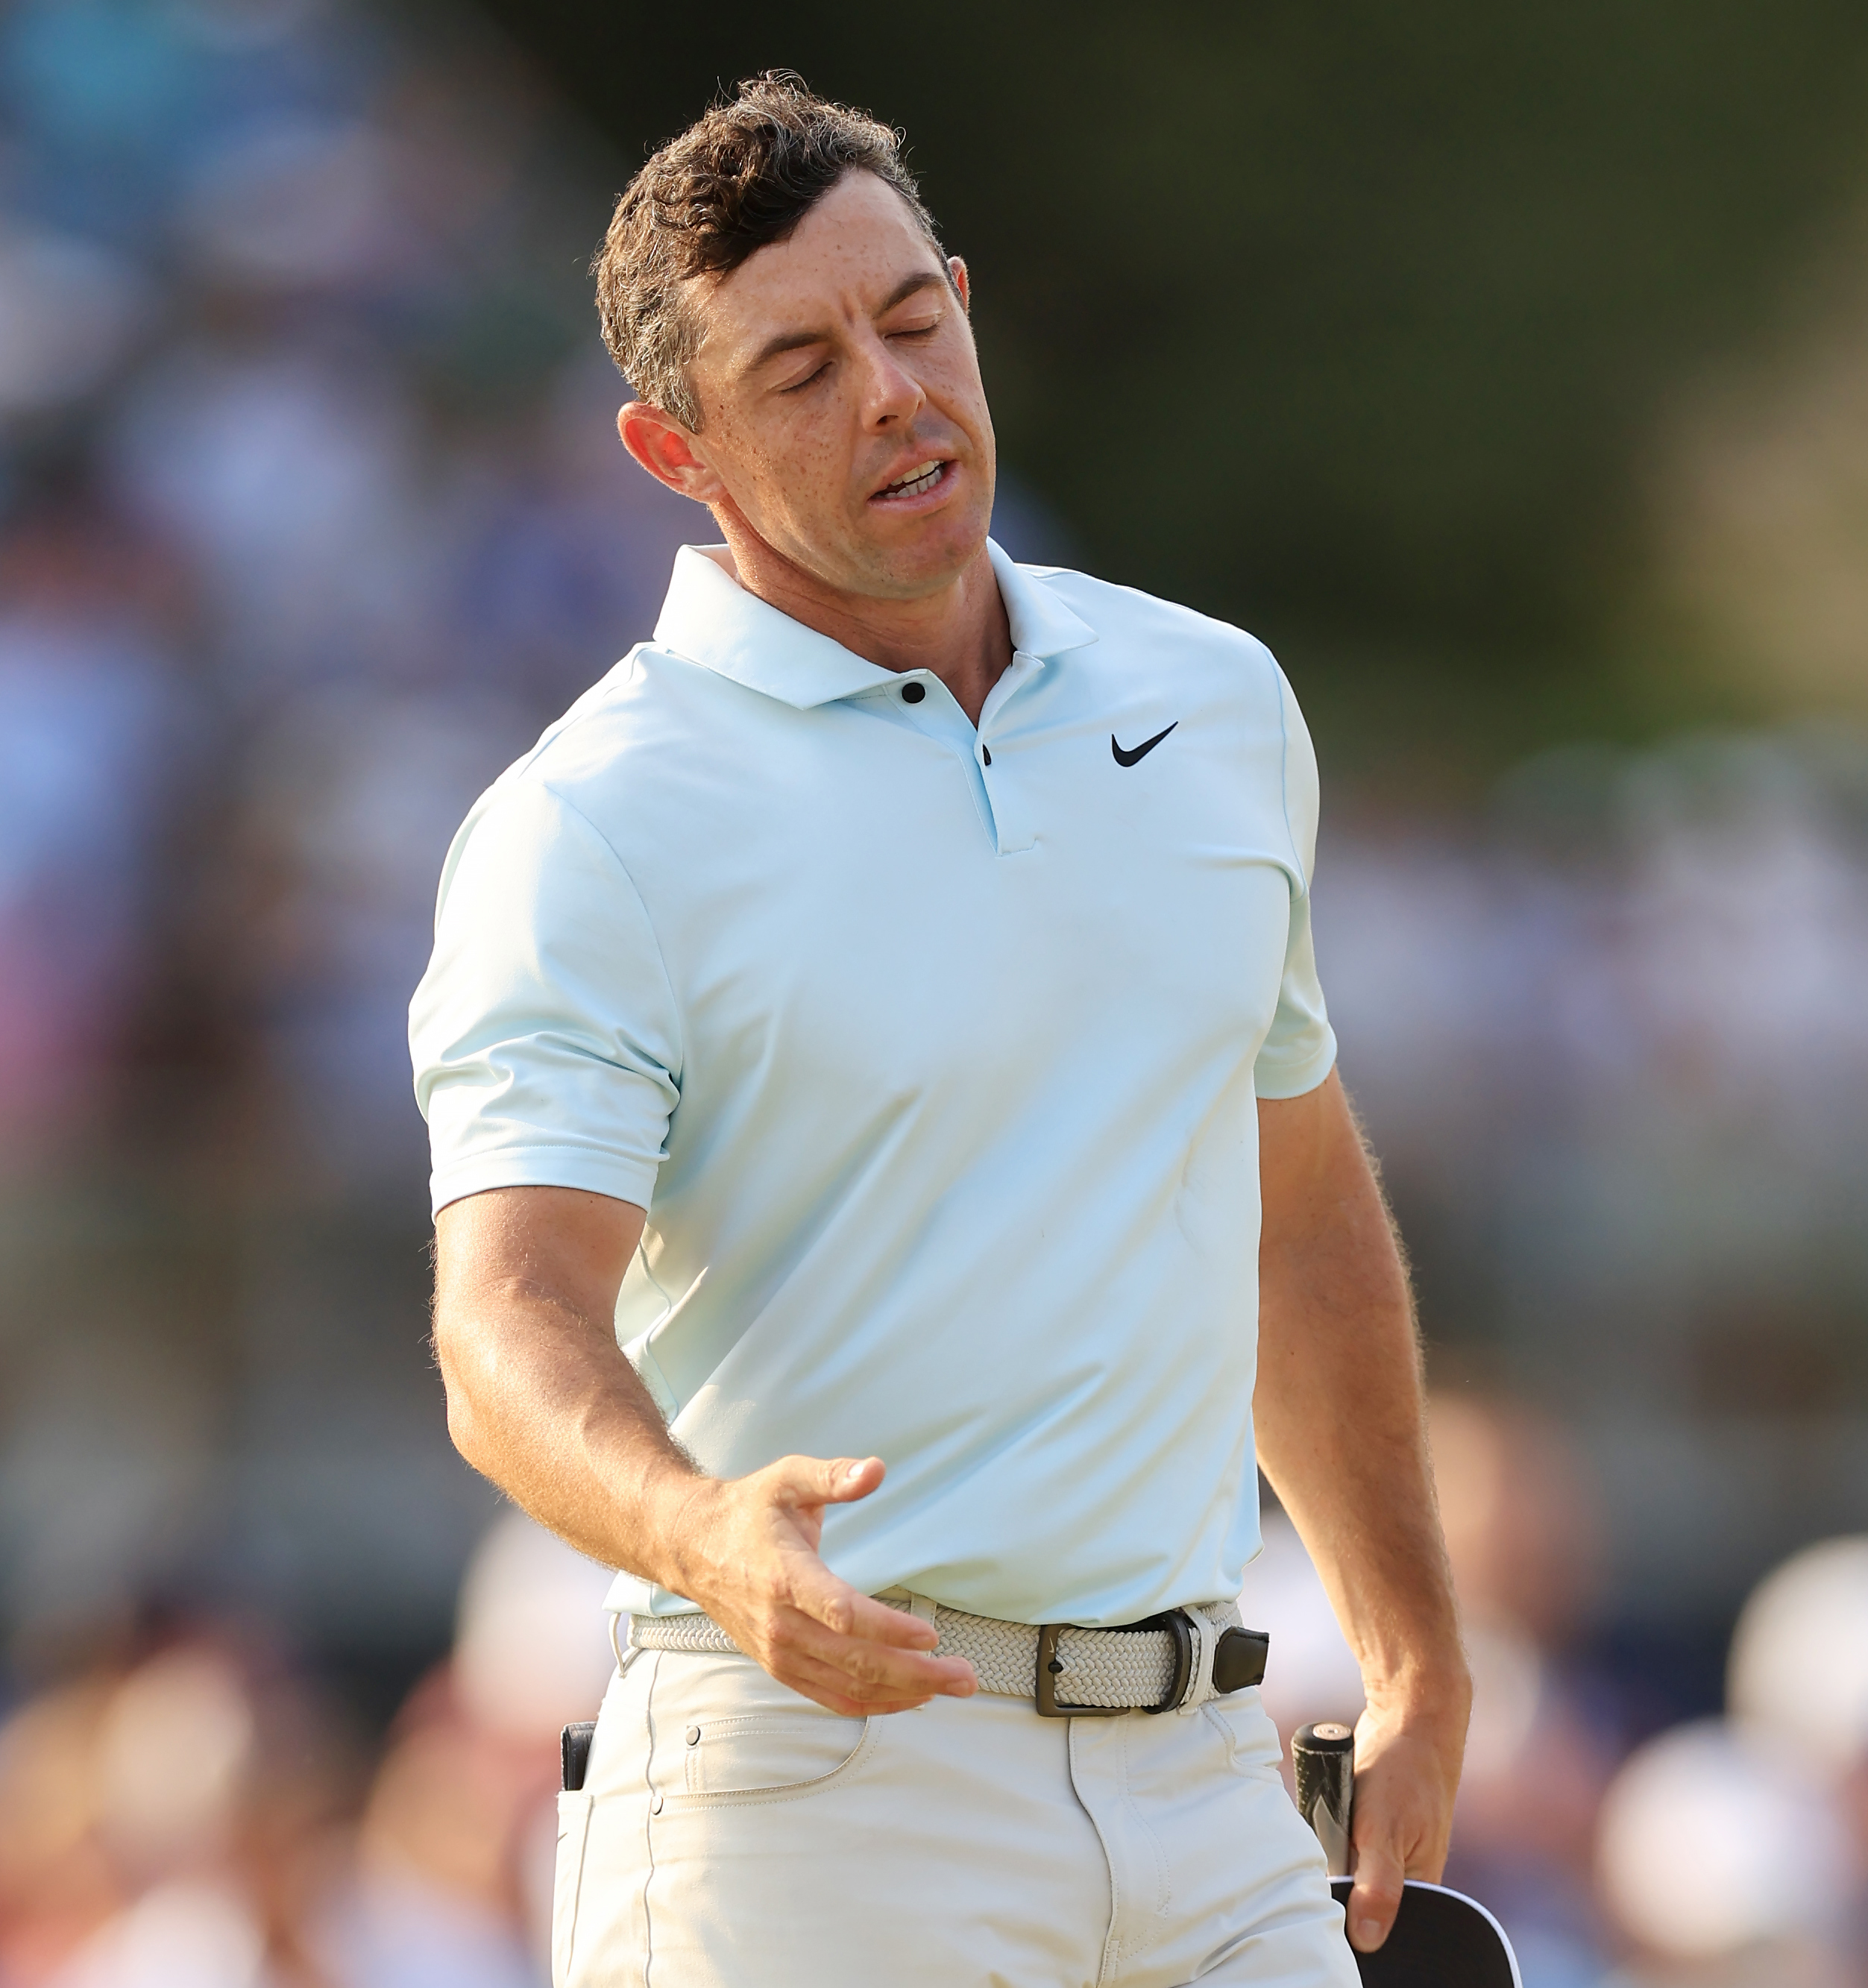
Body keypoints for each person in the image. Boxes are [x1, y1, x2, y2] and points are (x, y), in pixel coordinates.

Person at [410, 75, 1469, 1986]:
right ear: (677, 449)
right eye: (798, 367)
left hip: (1207, 1779)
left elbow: (1292, 1210)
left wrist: (1410, 1651)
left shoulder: (1210, 698)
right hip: (808, 1790)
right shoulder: (590, 823)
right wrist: (703, 1536)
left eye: (912, 320)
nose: (893, 391)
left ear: (964, 302)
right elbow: (504, 1328)